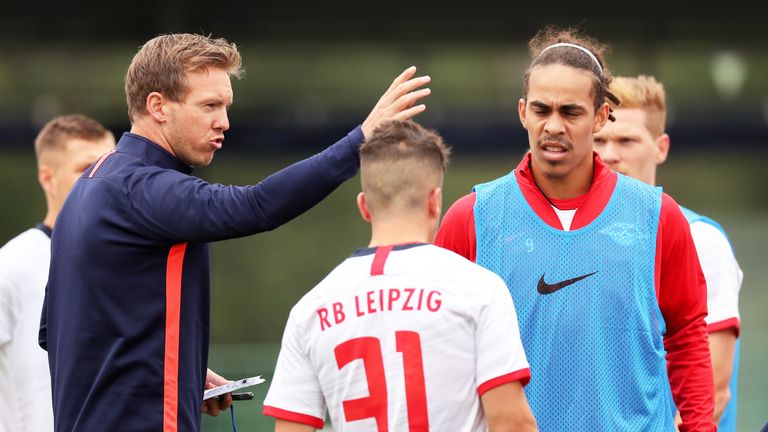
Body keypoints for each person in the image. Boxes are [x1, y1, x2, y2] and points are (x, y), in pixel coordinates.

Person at [38, 33, 431, 432]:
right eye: (209, 105)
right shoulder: (142, 187)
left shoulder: (88, 185)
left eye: (225, 106)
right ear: (157, 106)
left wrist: (181, 370)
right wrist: (360, 141)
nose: (223, 121)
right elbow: (258, 205)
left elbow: (55, 331)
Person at [434, 26, 716, 431]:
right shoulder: (472, 219)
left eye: (570, 112)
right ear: (521, 112)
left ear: (601, 116)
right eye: (541, 110)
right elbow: (443, 356)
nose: (553, 126)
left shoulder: (658, 217)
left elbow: (688, 337)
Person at [262, 119, 538, 432]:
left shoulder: (310, 310)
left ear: (364, 207)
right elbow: (511, 423)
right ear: (435, 202)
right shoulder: (480, 290)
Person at [594, 75, 743, 431]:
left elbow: (714, 393)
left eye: (627, 140)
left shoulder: (701, 239)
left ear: (661, 147)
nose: (610, 153)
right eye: (599, 139)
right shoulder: (578, 239)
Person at [0, 114, 115, 432]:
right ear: (47, 178)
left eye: (110, 166)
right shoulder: (12, 266)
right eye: (85, 169)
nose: (101, 179)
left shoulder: (127, 263)